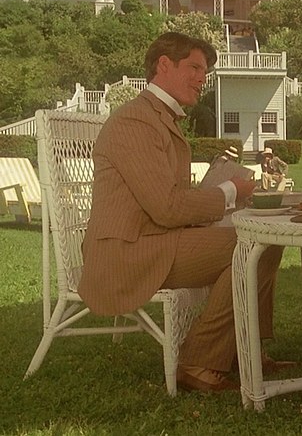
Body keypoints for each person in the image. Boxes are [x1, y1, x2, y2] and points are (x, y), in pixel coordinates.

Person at [77, 32, 289, 393]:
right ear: (164, 65)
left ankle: (242, 348)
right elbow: (167, 207)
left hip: (153, 240)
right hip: (125, 254)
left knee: (263, 241)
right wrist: (228, 191)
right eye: (194, 67)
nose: (202, 78)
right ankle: (200, 361)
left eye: (204, 71)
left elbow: (165, 201)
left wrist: (223, 194)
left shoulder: (159, 118)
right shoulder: (136, 121)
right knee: (256, 244)